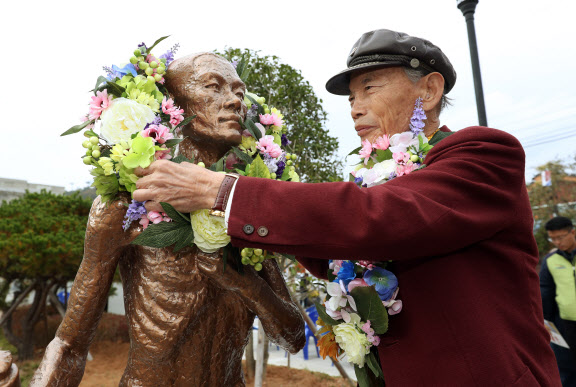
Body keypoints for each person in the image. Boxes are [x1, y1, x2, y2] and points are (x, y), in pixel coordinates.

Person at [133, 29, 561, 385]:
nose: (355, 108)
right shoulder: (377, 178)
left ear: (428, 90)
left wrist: (222, 191)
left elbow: (375, 217)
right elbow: (333, 250)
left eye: (369, 88)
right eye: (350, 97)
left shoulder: (484, 154)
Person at [30, 53, 305, 387]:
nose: (233, 100)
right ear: (172, 104)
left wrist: (246, 283)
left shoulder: (246, 209)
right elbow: (70, 344)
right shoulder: (124, 206)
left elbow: (294, 337)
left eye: (239, 92)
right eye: (213, 87)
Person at [541, 216, 576, 385]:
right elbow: (545, 291)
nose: (557, 242)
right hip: (566, 323)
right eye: (552, 238)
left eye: (560, 237)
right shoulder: (550, 261)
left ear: (573, 232)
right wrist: (546, 321)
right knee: (567, 367)